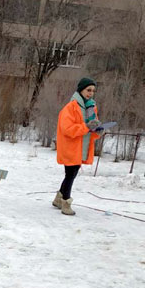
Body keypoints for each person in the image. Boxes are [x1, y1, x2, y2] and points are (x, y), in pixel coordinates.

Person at [53, 77, 103, 216]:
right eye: (88, 90)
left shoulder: (91, 108)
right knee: (71, 174)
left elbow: (89, 130)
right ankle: (65, 203)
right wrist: (86, 126)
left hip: (82, 147)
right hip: (71, 147)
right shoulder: (70, 107)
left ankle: (59, 199)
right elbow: (67, 129)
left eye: (93, 91)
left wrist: (98, 130)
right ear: (81, 90)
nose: (91, 93)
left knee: (71, 174)